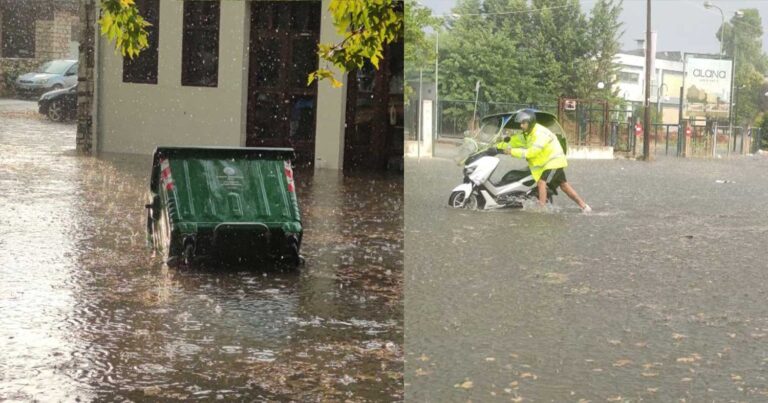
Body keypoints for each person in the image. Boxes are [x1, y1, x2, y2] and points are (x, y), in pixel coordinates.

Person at [495, 109, 591, 213]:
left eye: (523, 123)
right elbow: (514, 141)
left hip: (554, 162)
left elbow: (531, 153)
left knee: (542, 182)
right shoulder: (527, 134)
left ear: (530, 122)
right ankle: (584, 206)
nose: (521, 126)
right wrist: (496, 147)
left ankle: (542, 210)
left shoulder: (540, 134)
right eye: (521, 123)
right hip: (549, 163)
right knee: (564, 186)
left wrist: (510, 152)